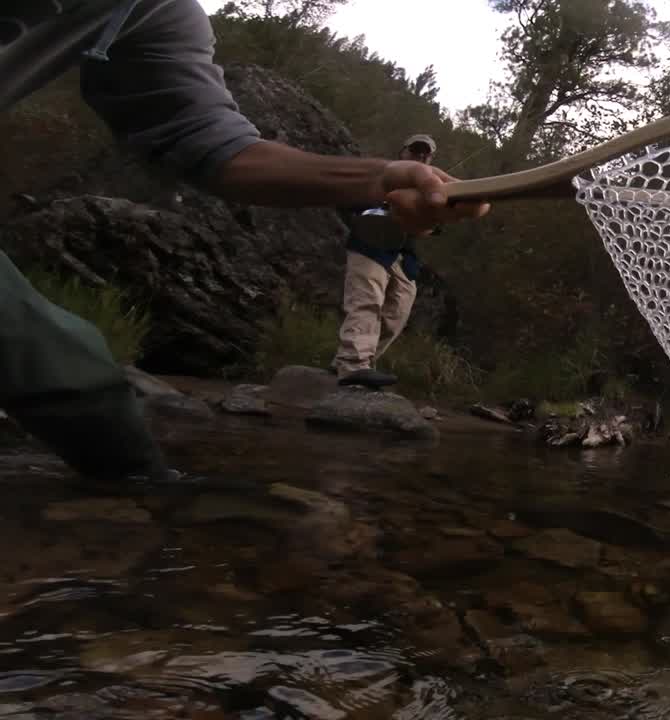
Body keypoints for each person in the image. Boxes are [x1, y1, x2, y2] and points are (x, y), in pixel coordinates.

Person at [0, 0, 490, 488]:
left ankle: (145, 493)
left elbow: (215, 145)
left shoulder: (159, 13)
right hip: (368, 257)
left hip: (396, 259)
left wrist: (380, 179)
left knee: (76, 383)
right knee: (46, 356)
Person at [331, 134, 439, 389]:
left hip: (404, 258)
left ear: (431, 158)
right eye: (415, 150)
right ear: (403, 151)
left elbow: (434, 228)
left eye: (425, 153)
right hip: (368, 246)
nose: (420, 155)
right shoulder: (382, 176)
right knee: (366, 301)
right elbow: (346, 202)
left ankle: (351, 363)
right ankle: (353, 364)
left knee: (397, 313)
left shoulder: (429, 188)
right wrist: (375, 212)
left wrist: (423, 220)